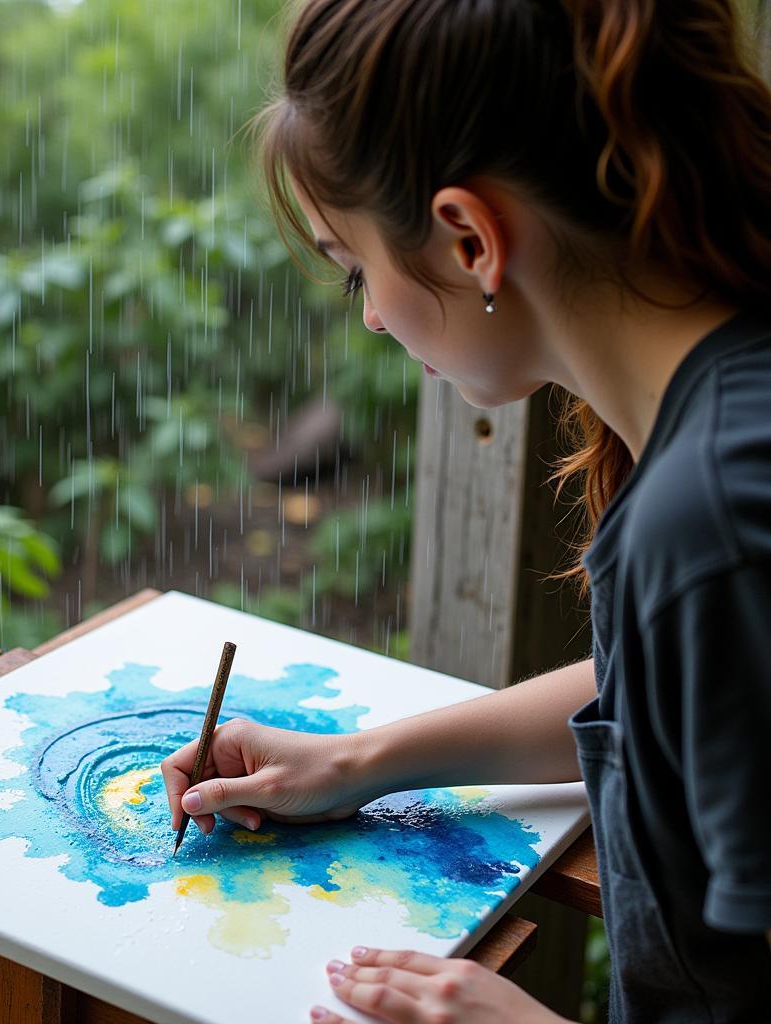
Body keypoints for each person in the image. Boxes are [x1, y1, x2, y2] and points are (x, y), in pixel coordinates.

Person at [160, 1, 771, 1020]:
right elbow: (677, 691)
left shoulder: (712, 524)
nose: (367, 314)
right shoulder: (722, 419)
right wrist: (357, 761)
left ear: (468, 237)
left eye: (356, 268)